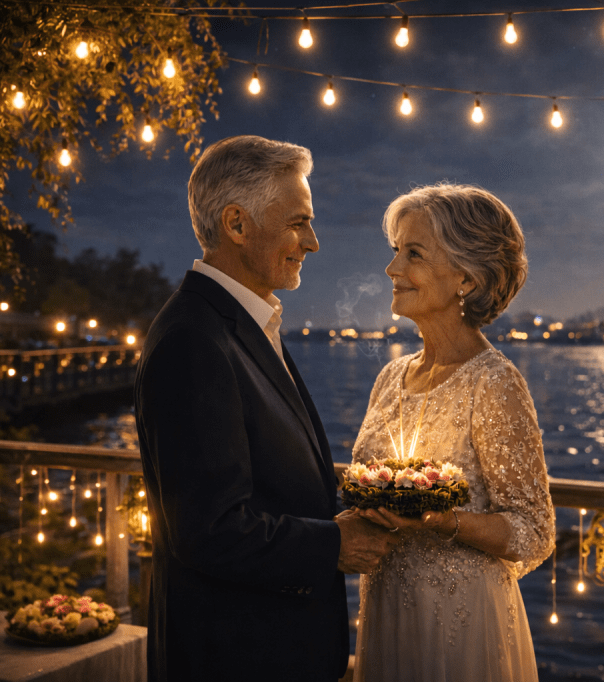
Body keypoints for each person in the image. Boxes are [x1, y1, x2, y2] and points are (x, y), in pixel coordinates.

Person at [134, 135, 395, 682]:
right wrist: (335, 543)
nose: (314, 242)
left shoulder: (240, 324)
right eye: (299, 222)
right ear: (237, 224)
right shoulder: (193, 341)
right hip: (237, 657)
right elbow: (209, 530)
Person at [350, 183, 556, 681]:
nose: (393, 269)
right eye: (395, 252)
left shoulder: (495, 382)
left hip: (462, 624)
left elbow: (535, 532)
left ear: (465, 277)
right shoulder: (390, 379)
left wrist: (444, 522)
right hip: (385, 612)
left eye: (413, 254)